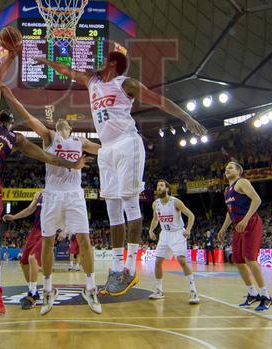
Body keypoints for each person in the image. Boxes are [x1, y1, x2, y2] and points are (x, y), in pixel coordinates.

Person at [37, 51, 206, 296]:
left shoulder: (125, 84)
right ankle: (116, 269)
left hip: (127, 142)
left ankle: (129, 268)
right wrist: (46, 61)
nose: (98, 62)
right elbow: (66, 70)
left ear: (113, 64)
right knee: (112, 205)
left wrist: (185, 116)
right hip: (106, 149)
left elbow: (158, 100)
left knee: (129, 201)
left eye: (103, 59)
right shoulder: (91, 81)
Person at [0, 55, 91, 315]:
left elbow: (46, 156)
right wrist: (9, 60)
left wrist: (71, 165)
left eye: (11, 119)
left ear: (13, 125)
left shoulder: (15, 139)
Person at [0, 83, 101, 314]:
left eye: (65, 121)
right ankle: (47, 290)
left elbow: (104, 150)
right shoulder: (49, 136)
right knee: (48, 243)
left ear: (71, 127)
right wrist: (8, 93)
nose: (61, 121)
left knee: (84, 240)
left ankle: (91, 288)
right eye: (58, 120)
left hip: (75, 194)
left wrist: (124, 146)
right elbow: (25, 115)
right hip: (52, 194)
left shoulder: (81, 142)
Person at [217, 160, 272, 312]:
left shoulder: (242, 182)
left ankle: (266, 296)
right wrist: (223, 229)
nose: (227, 169)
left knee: (250, 258)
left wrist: (246, 219)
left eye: (230, 167)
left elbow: (257, 200)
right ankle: (252, 293)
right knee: (237, 259)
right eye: (226, 168)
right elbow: (230, 212)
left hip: (251, 221)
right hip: (238, 225)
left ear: (238, 171)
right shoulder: (226, 190)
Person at [147, 179, 199, 304]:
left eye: (161, 185)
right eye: (157, 186)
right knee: (158, 261)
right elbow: (155, 219)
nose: (158, 187)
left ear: (167, 189)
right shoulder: (156, 204)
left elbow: (191, 215)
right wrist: (151, 230)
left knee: (181, 261)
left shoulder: (175, 202)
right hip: (164, 234)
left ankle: (193, 291)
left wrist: (188, 229)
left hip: (177, 234)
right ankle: (159, 290)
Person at [2, 191, 43, 309]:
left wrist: (63, 229)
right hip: (36, 230)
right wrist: (14, 217)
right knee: (24, 262)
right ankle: (33, 292)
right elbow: (29, 210)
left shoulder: (59, 193)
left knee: (32, 258)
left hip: (48, 230)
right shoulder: (40, 194)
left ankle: (31, 294)